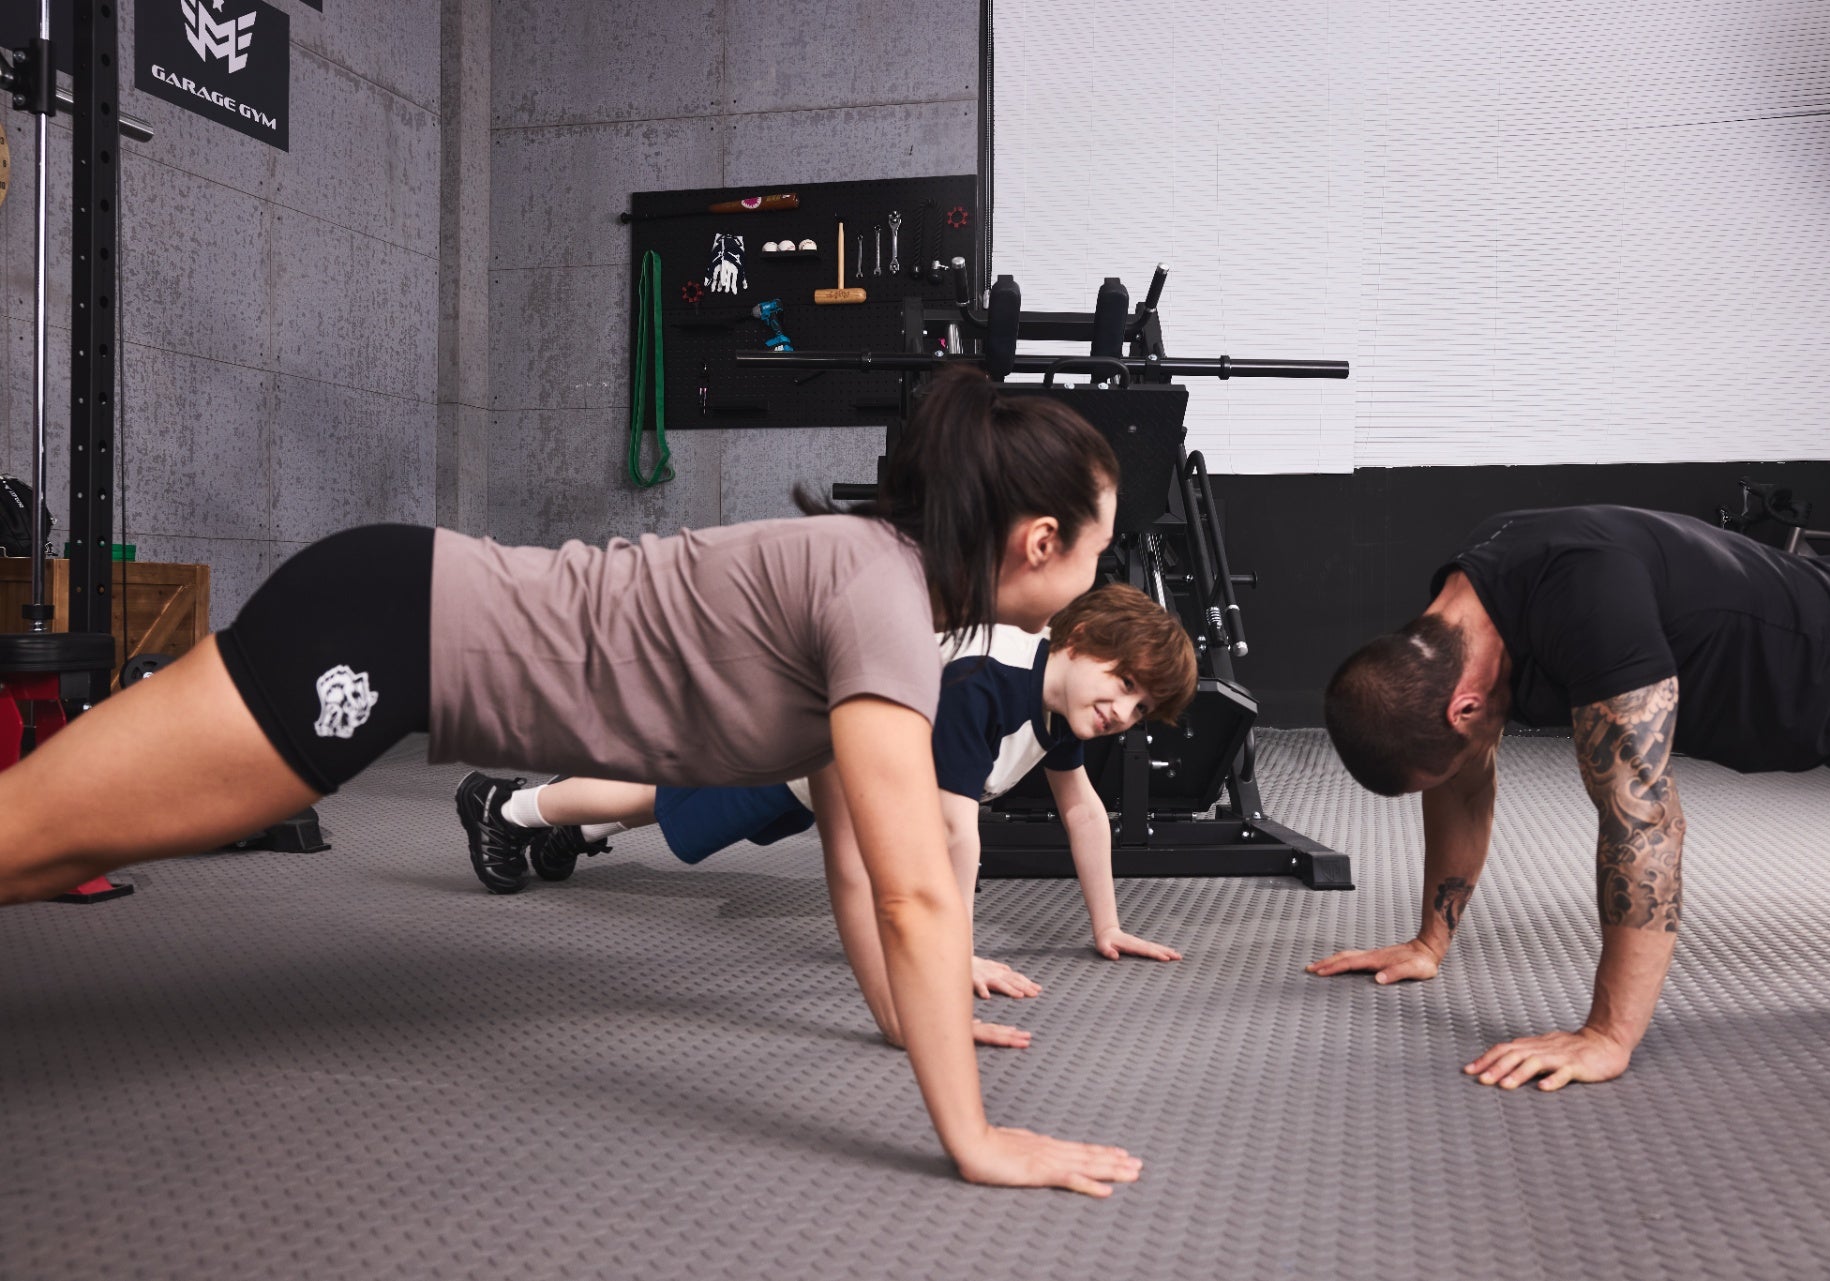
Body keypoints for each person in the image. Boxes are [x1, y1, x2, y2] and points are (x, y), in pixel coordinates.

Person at [0, 366, 1146, 1197]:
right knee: (31, 837)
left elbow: (854, 858)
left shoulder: (882, 599)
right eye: (1100, 547)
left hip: (400, 619)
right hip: (389, 628)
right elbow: (917, 894)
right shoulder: (883, 605)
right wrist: (978, 1141)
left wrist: (908, 1020)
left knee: (49, 847)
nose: (1101, 571)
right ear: (1041, 540)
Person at [1309, 504, 1830, 1092]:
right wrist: (1429, 943)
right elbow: (1461, 784)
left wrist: (1607, 1035)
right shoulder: (1459, 619)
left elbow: (1644, 823)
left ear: (1463, 707)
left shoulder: (1588, 607)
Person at [453, 584, 1199, 1047]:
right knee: (663, 790)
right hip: (804, 726)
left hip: (846, 771)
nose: (1122, 710)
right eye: (1123, 682)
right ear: (1077, 642)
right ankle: (505, 804)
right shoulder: (989, 683)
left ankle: (568, 827)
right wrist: (952, 958)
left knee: (681, 802)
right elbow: (951, 835)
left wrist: (1106, 923)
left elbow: (1085, 812)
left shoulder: (1060, 707)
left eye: (1140, 707)